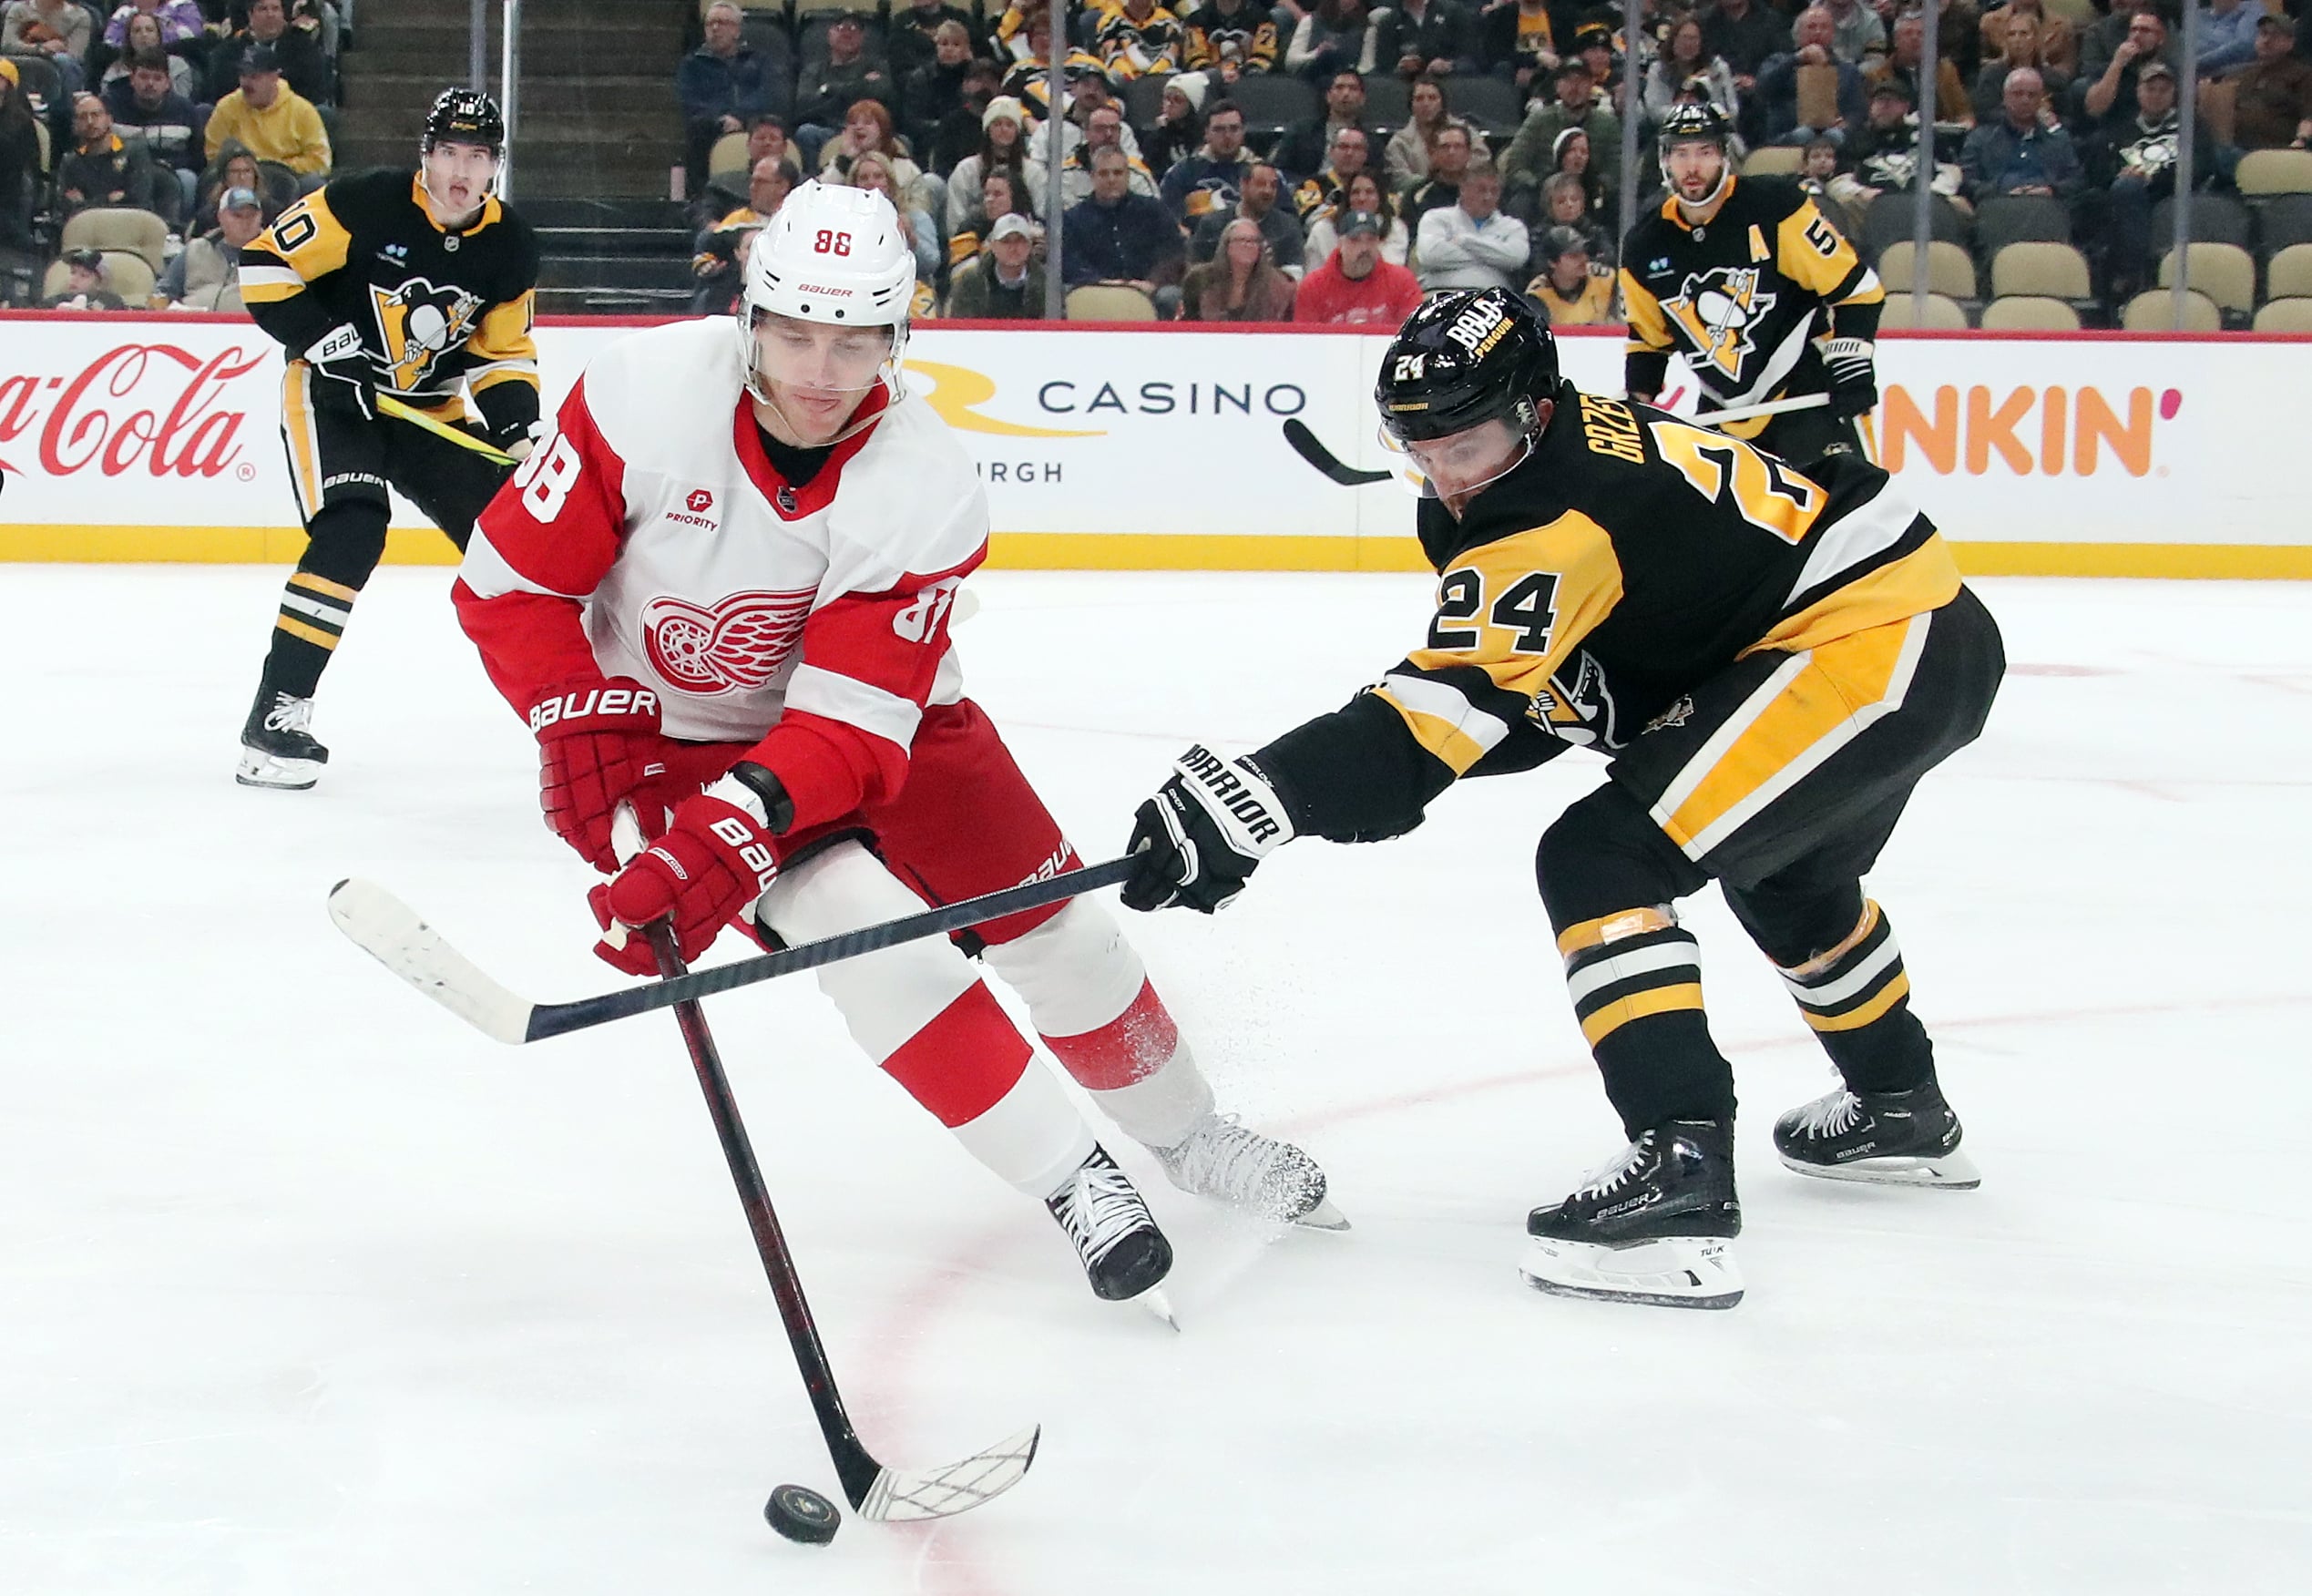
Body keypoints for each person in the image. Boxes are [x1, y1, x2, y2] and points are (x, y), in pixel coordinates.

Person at [452, 180, 1335, 1310]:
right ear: (751, 320)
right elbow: (509, 589)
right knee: (872, 945)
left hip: (896, 726)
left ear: (898, 338)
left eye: (856, 342)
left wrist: (741, 821)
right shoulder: (638, 394)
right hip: (678, 741)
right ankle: (1075, 1180)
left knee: (1058, 933)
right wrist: (571, 712)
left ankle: (1192, 1136)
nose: (823, 372)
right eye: (798, 336)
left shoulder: (925, 480)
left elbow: (855, 724)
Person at [1120, 287, 2002, 1310]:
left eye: (1470, 443)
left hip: (1865, 645)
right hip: (1907, 632)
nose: (1445, 475)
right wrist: (1351, 779)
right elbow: (1517, 707)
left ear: (1535, 408)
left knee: (1604, 858)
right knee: (1788, 877)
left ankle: (1680, 1176)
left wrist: (1260, 797)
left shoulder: (1556, 517)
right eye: (1420, 447)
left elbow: (1430, 722)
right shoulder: (1541, 460)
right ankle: (1900, 1106)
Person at [231, 88, 537, 791]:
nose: (462, 171)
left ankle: (580, 719)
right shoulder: (364, 202)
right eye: (449, 153)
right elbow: (263, 263)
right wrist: (323, 336)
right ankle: (275, 717)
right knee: (353, 531)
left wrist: (520, 429)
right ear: (425, 155)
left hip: (429, 412)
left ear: (495, 166)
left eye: (479, 157)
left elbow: (502, 353)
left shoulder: (510, 245)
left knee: (518, 546)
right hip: (336, 399)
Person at [1621, 103, 1885, 467]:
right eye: (1680, 154)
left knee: (1851, 517)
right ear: (1665, 161)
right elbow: (1648, 341)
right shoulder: (1644, 245)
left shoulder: (1775, 207)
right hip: (1721, 414)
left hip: (1806, 392)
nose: (1692, 167)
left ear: (1724, 156)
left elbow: (1857, 290)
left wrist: (1853, 362)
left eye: (1704, 152)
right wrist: (1638, 402)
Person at [1061, 144, 1184, 295]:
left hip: (1151, 291)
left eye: (1118, 173)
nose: (1111, 179)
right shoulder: (1072, 219)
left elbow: (1173, 252)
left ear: (1128, 176)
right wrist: (1099, 283)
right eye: (1104, 174)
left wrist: (1153, 282)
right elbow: (1069, 261)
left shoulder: (1153, 210)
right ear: (1092, 177)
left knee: (1170, 295)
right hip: (1095, 292)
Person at [1957, 66, 2082, 207]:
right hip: (1996, 207)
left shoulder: (2059, 139)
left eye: (2032, 95)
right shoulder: (1980, 139)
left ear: (2041, 100)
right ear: (2005, 98)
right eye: (2018, 94)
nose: (2025, 100)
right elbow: (1966, 179)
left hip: (2047, 210)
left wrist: (2051, 191)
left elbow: (2076, 181)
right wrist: (2001, 192)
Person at [204, 45, 332, 181]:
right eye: (243, 75)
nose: (246, 83)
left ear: (274, 78)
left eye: (254, 76)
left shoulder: (302, 111)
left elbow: (321, 162)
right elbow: (213, 154)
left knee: (312, 182)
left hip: (289, 180)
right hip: (239, 181)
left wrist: (277, 168)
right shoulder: (226, 107)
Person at [102, 46, 204, 215]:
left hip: (172, 169)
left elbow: (197, 157)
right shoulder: (111, 105)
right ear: (132, 79)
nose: (150, 84)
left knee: (189, 179)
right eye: (143, 77)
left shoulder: (185, 110)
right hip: (122, 170)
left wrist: (169, 165)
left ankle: (179, 231)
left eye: (157, 78)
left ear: (167, 83)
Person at [1501, 59, 1621, 196]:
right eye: (1568, 81)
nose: (1575, 87)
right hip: (1542, 194)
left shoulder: (1608, 124)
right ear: (1557, 86)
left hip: (1592, 196)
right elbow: (1516, 166)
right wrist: (1542, 186)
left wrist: (1590, 188)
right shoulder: (1538, 120)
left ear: (1591, 85)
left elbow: (1616, 170)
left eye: (1581, 81)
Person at [1753, 5, 1867, 148]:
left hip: (1832, 135)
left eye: (1824, 27)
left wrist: (1847, 124)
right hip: (1789, 134)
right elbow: (1762, 89)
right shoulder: (1778, 61)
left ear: (1832, 33)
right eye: (1811, 27)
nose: (1818, 32)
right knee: (1804, 134)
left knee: (1836, 136)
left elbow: (1858, 110)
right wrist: (1796, 59)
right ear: (1799, 33)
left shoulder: (1848, 70)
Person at [692, 155, 792, 313]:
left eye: (761, 182)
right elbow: (706, 253)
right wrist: (710, 266)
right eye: (752, 181)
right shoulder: (736, 221)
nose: (752, 187)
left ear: (783, 186)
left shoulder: (798, 221)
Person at [795, 11, 895, 169]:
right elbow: (804, 105)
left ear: (862, 37)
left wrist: (829, 90)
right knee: (806, 132)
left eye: (854, 29)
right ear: (829, 34)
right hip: (827, 131)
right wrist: (861, 86)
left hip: (870, 133)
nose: (847, 33)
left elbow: (882, 93)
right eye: (841, 28)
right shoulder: (813, 71)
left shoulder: (878, 66)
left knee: (903, 141)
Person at [1413, 159, 1528, 292]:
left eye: (1494, 191)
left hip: (1491, 298)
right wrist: (1495, 257)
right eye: (1481, 190)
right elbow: (1431, 256)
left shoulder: (1513, 226)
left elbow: (1515, 259)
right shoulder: (1436, 218)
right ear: (1463, 189)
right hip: (1441, 293)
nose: (1488, 197)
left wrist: (1465, 241)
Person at [1292, 206, 1422, 322]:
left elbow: (1413, 335)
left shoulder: (1402, 281)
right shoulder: (1313, 286)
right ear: (1340, 243)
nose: (1364, 248)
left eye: (1370, 240)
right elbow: (1306, 340)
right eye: (1355, 240)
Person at [945, 96, 1044, 236]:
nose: (1003, 129)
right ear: (987, 129)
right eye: (997, 124)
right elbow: (956, 220)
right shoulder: (965, 170)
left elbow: (1041, 216)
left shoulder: (1034, 172)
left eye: (1009, 125)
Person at [158, 181, 265, 306]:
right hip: (194, 323)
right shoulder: (195, 250)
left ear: (261, 216)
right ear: (221, 217)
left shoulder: (274, 256)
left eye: (252, 215)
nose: (246, 222)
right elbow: (164, 292)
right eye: (238, 216)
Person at [1188, 158, 1304, 272]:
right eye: (1261, 184)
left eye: (1273, 185)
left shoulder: (1288, 227)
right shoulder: (1212, 224)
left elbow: (1293, 277)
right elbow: (1196, 272)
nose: (1268, 191)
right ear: (1243, 185)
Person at [57, 90, 160, 219]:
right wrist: (109, 199)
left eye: (95, 115)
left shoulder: (134, 152)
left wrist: (83, 203)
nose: (90, 122)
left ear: (109, 120)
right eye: (83, 117)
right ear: (75, 125)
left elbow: (139, 203)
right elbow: (63, 209)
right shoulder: (71, 161)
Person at [207, 0, 326, 106]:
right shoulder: (229, 51)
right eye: (263, 9)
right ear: (250, 15)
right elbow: (222, 88)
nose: (270, 14)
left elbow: (312, 89)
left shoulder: (303, 47)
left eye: (275, 9)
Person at [1180, 214, 1297, 318]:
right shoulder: (1199, 281)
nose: (1247, 245)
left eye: (1253, 241)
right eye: (1241, 240)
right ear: (1227, 246)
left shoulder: (1280, 286)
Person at [1159, 94, 1250, 223]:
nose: (1227, 136)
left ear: (1243, 131)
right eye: (1219, 129)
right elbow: (1169, 221)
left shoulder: (1260, 171)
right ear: (1206, 133)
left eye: (1234, 129)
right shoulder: (1181, 173)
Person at [2233, 14, 2312, 151]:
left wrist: (2301, 140)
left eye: (2274, 36)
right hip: (2238, 148)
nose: (2266, 40)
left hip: (2278, 152)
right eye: (2263, 34)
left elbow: (2309, 116)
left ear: (2290, 43)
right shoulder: (2245, 74)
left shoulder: (2303, 74)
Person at [1274, 68, 1369, 181]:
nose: (1346, 93)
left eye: (1353, 89)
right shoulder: (1300, 132)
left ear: (1362, 98)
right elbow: (1280, 172)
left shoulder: (1372, 142)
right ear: (1328, 96)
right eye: (1339, 88)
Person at [1384, 73, 1473, 191]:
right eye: (1419, 99)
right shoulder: (1399, 142)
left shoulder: (1465, 130)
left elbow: (1481, 163)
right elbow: (1401, 180)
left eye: (1432, 98)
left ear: (1442, 102)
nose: (1426, 104)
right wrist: (1436, 185)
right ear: (1411, 105)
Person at [946, 210, 1047, 314]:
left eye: (1019, 241)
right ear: (993, 246)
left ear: (1029, 246)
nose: (1013, 248)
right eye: (1005, 241)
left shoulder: (1046, 283)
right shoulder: (971, 282)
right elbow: (961, 325)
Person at [1304, 168, 1407, 264]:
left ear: (1380, 198)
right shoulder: (1324, 230)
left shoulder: (1396, 228)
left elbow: (1392, 267)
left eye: (1369, 192)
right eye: (1355, 192)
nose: (1362, 198)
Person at [1525, 223, 1615, 323]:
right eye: (1574, 256)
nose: (1583, 259)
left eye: (1583, 252)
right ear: (1552, 262)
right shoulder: (1538, 294)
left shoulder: (1605, 278)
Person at [1287, 0, 1386, 84]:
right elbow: (1291, 61)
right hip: (1312, 80)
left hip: (1348, 83)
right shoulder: (1309, 21)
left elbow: (1366, 67)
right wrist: (1316, 53)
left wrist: (1346, 77)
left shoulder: (1368, 28)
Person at [1182, 0, 1281, 76]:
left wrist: (1243, 72)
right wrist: (1215, 74)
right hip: (1209, 79)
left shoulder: (1261, 17)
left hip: (1249, 79)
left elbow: (1264, 55)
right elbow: (1195, 57)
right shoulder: (1195, 20)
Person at [1097, 0, 1185, 82]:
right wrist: (1129, 76)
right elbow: (1111, 54)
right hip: (1125, 79)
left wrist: (1153, 75)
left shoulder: (1168, 21)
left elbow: (1171, 54)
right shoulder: (1111, 20)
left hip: (1159, 78)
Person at [1141, 74, 1205, 179]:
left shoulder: (1203, 135)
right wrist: (1161, 133)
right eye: (1166, 98)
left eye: (1177, 100)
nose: (1170, 104)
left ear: (1191, 106)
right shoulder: (1154, 136)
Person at [43, 245, 127, 308]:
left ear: (99, 283)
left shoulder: (112, 302)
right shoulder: (53, 303)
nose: (74, 279)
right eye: (73, 272)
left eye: (84, 275)